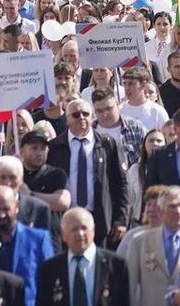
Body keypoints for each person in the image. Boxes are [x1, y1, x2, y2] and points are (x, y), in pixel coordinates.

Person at [31, 207, 135, 306]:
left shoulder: (116, 266)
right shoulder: (51, 269)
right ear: (63, 236)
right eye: (73, 229)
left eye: (84, 228)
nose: (80, 234)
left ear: (93, 231)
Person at [46, 98, 130, 248]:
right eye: (76, 115)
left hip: (100, 220)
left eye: (85, 113)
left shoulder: (107, 144)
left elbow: (122, 184)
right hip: (65, 219)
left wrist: (121, 219)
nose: (82, 117)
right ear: (67, 119)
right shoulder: (54, 147)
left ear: (92, 117)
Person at [0, 185, 53, 306]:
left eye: (6, 209)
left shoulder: (39, 239)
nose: (1, 215)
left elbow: (50, 280)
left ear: (16, 207)